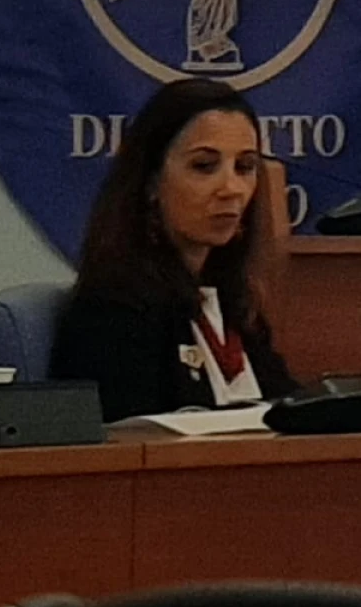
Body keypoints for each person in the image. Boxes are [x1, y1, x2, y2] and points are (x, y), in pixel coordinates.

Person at [51, 79, 296, 421]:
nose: (232, 188)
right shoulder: (112, 311)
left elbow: (289, 411)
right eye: (204, 166)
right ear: (151, 182)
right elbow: (127, 437)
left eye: (245, 167)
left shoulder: (232, 303)